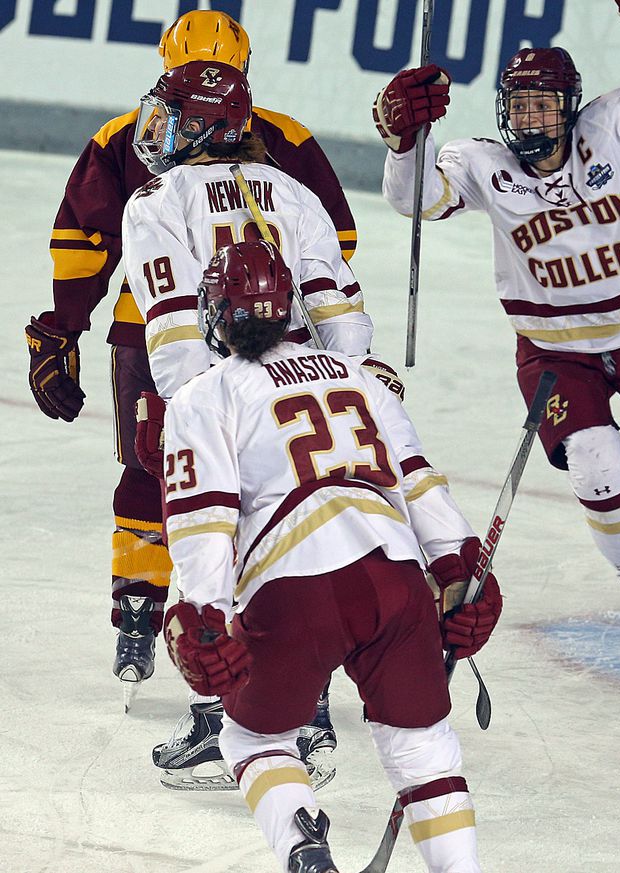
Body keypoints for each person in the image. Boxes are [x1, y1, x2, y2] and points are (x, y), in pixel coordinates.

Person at [372, 0, 620, 642]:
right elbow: (415, 201)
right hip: (555, 352)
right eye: (519, 107)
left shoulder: (611, 126)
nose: (531, 119)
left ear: (571, 107)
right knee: (595, 460)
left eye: (544, 106)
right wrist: (406, 144)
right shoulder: (481, 163)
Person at [23, 10, 357, 718]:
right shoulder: (263, 142)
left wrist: (63, 324)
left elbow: (84, 244)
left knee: (195, 475)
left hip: (199, 338)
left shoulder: (263, 145)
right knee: (169, 474)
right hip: (188, 337)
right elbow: (336, 249)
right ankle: (147, 610)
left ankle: (242, 632)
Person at [161, 239, 496, 873]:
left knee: (253, 738)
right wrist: (459, 570)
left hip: (295, 591)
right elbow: (418, 479)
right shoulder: (357, 375)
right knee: (423, 749)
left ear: (217, 314)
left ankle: (302, 845)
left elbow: (205, 517)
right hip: (395, 578)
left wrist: (203, 613)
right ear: (286, 308)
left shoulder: (205, 396)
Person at [122, 58, 374, 789]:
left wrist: (186, 417)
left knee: (211, 552)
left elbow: (172, 331)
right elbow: (340, 316)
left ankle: (226, 719)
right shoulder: (294, 192)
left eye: (171, 116)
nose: (156, 129)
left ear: (204, 125)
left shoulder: (158, 200)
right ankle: (308, 712)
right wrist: (346, 394)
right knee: (293, 545)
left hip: (222, 395)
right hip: (305, 398)